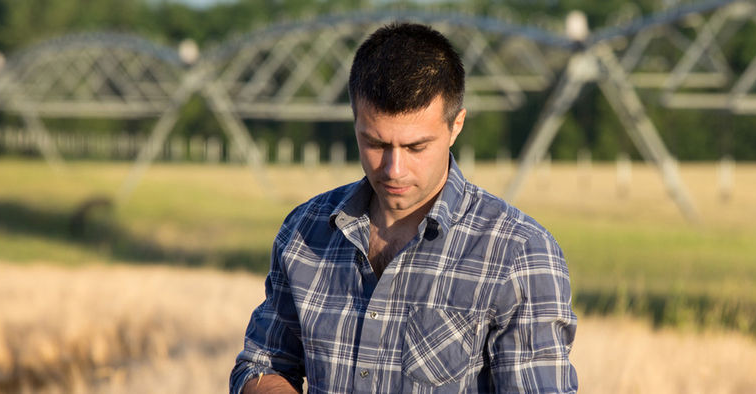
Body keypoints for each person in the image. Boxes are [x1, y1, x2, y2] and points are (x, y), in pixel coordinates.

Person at [231, 22, 577, 393]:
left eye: (416, 147)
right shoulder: (305, 230)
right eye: (376, 143)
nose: (393, 169)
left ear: (456, 125)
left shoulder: (518, 253)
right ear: (356, 122)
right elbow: (261, 364)